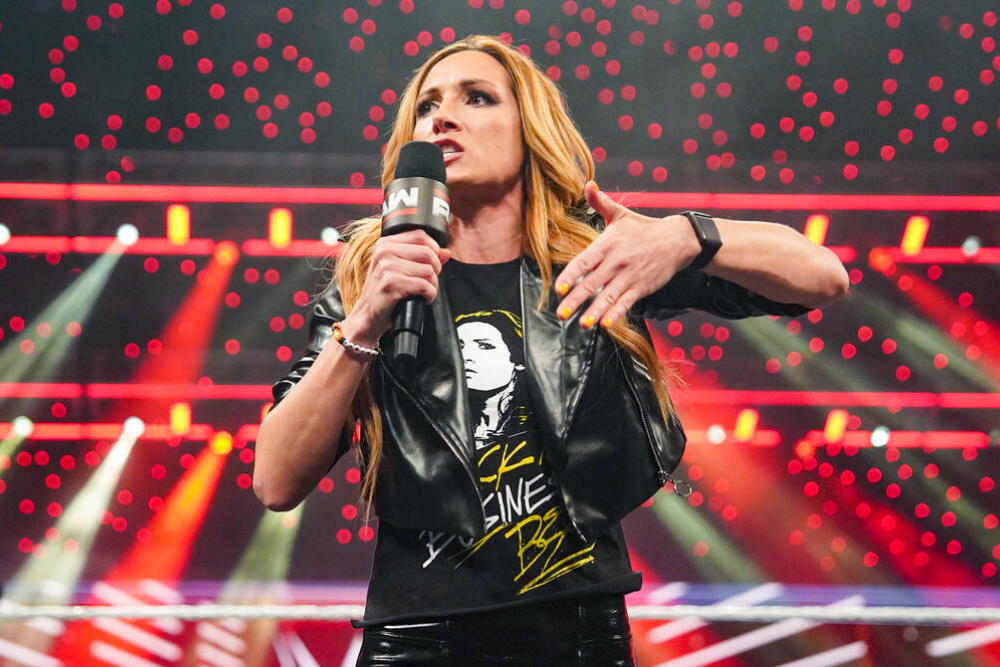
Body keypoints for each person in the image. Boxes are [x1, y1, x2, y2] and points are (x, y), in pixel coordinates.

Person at [253, 35, 848, 666]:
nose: (442, 116)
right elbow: (275, 480)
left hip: (581, 634)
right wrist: (365, 327)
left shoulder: (597, 258)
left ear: (528, 128)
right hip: (420, 636)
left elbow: (822, 276)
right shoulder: (369, 283)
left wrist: (686, 235)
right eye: (426, 107)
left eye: (476, 97)